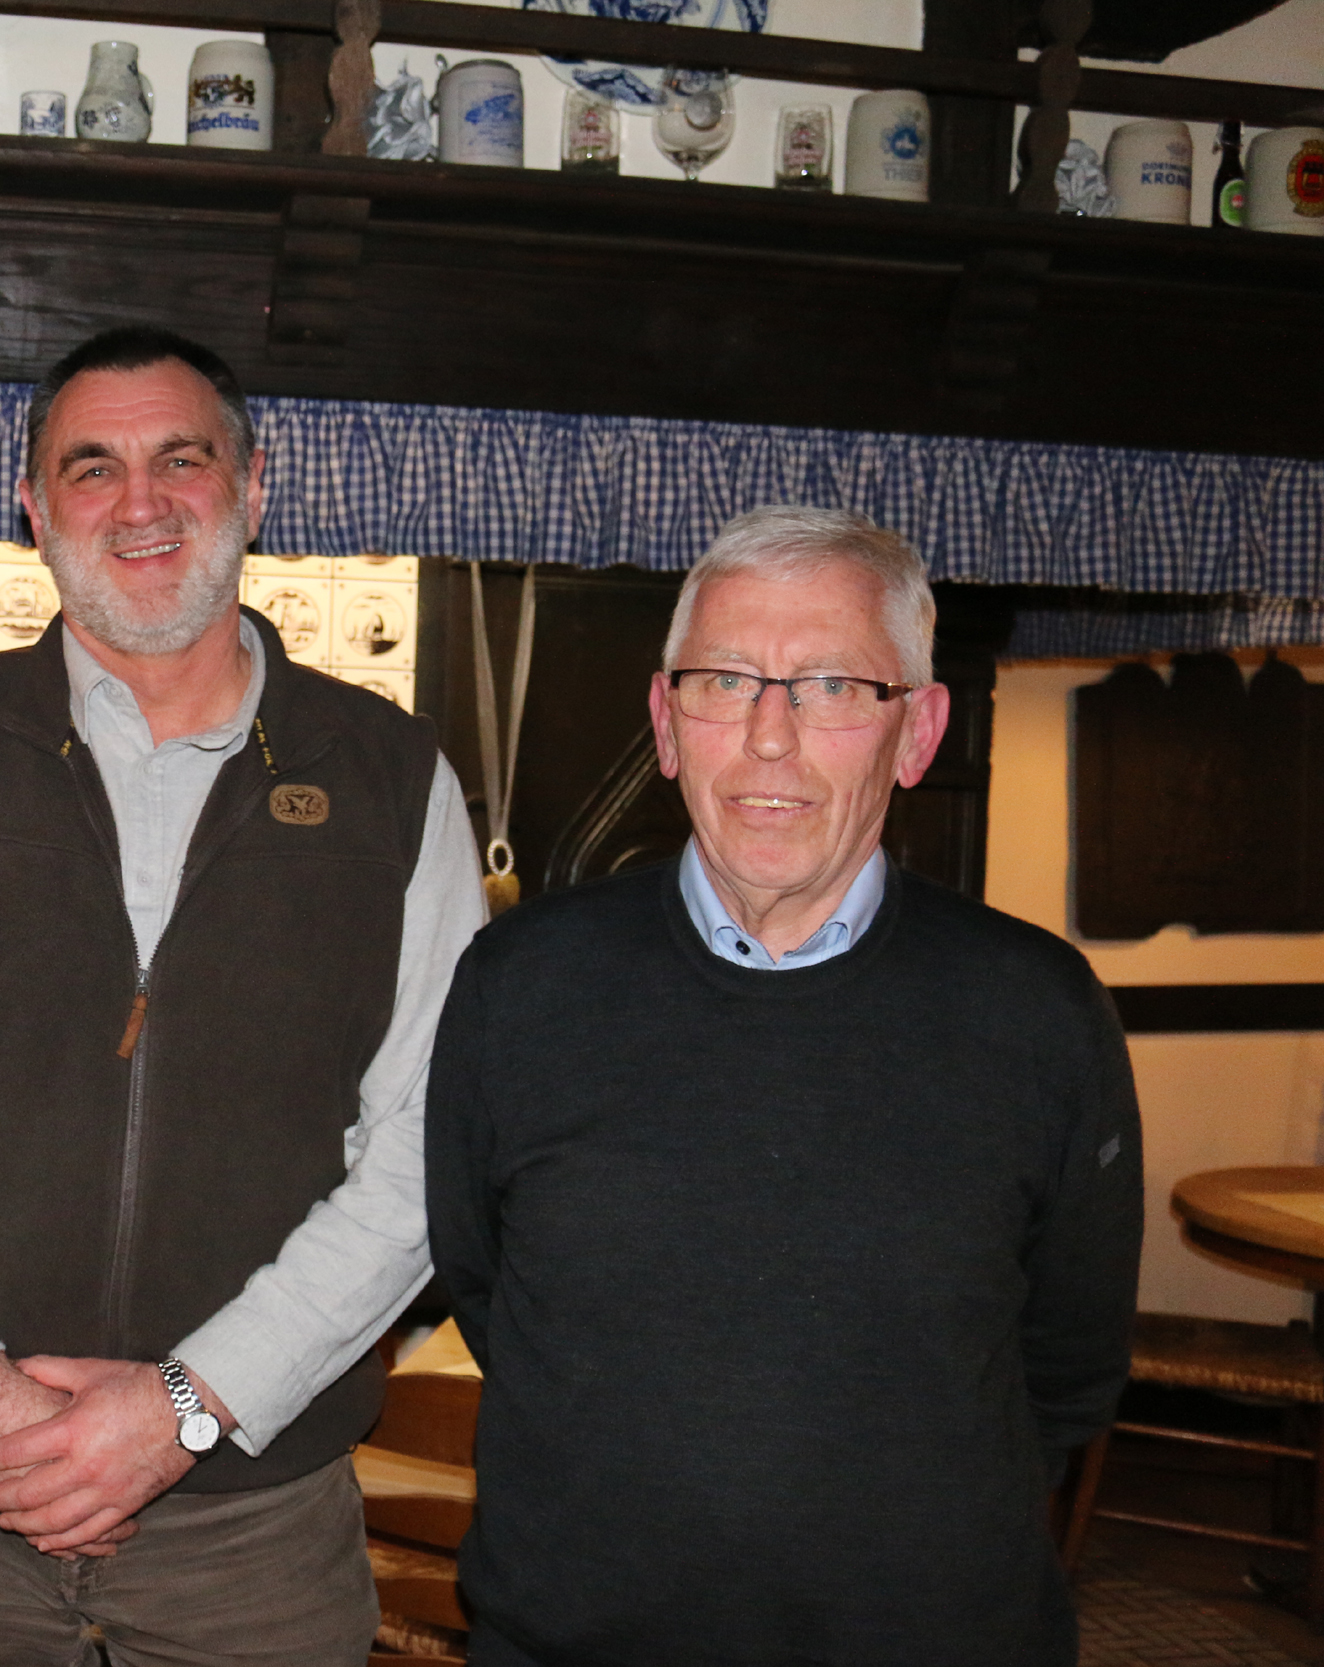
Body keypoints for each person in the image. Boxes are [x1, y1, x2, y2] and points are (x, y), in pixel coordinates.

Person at [0, 326, 485, 1665]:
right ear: (36, 508)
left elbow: (423, 1159)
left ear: (252, 487)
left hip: (249, 1512)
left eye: (180, 459)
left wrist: (189, 1404)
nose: (139, 503)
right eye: (92, 467)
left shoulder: (392, 777)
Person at [425, 506, 1142, 1667]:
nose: (768, 738)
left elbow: (1067, 1371)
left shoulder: (1038, 1009)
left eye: (830, 687)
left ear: (916, 734)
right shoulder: (520, 983)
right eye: (724, 681)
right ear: (666, 724)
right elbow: (487, 1290)